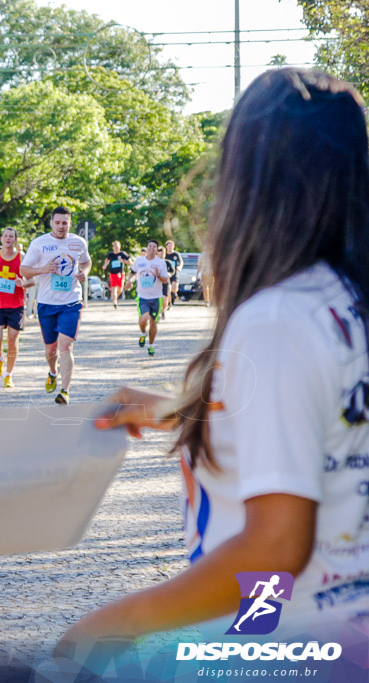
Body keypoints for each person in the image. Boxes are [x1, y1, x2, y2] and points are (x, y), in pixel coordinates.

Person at [57, 69, 369, 661]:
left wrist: (111, 624)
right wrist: (182, 411)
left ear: (252, 180)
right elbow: (324, 425)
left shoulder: (277, 318)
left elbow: (275, 548)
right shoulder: (343, 301)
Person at [20, 206, 91, 404]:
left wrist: (84, 272)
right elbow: (23, 269)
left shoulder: (78, 242)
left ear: (70, 223)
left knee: (66, 346)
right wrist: (42, 269)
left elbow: (87, 262)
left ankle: (65, 391)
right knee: (51, 350)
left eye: (65, 222)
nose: (61, 226)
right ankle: (53, 371)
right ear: (51, 223)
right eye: (57, 222)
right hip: (46, 303)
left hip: (71, 303)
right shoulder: (39, 244)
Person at [0, 227, 31, 388]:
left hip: (16, 304)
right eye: (6, 236)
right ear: (1, 239)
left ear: (15, 240)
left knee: (12, 340)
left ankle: (9, 375)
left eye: (11, 236)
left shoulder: (22, 257)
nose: (8, 238)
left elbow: (32, 281)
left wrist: (23, 283)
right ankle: (0, 358)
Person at [129, 240, 169, 355]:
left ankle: (151, 346)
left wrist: (158, 275)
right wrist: (129, 281)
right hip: (142, 297)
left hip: (156, 297)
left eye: (154, 246)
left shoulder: (161, 263)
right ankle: (142, 334)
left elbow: (165, 280)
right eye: (150, 246)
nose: (152, 248)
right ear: (147, 248)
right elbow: (132, 272)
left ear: (157, 249)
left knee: (153, 323)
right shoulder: (139, 261)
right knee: (143, 319)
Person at [101, 240, 131, 309]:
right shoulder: (110, 255)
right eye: (115, 246)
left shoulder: (122, 254)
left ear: (120, 247)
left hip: (121, 274)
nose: (116, 248)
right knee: (114, 288)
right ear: (113, 247)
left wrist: (123, 261)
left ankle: (115, 299)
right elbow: (107, 261)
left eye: (118, 247)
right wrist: (105, 265)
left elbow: (130, 261)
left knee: (120, 289)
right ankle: (114, 302)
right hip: (113, 274)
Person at [165, 239, 183, 312]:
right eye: (168, 246)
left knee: (174, 288)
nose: (170, 247)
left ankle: (174, 295)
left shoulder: (176, 254)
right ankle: (170, 303)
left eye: (171, 246)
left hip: (175, 273)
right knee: (168, 289)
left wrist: (179, 267)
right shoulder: (165, 255)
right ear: (166, 247)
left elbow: (181, 262)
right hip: (167, 274)